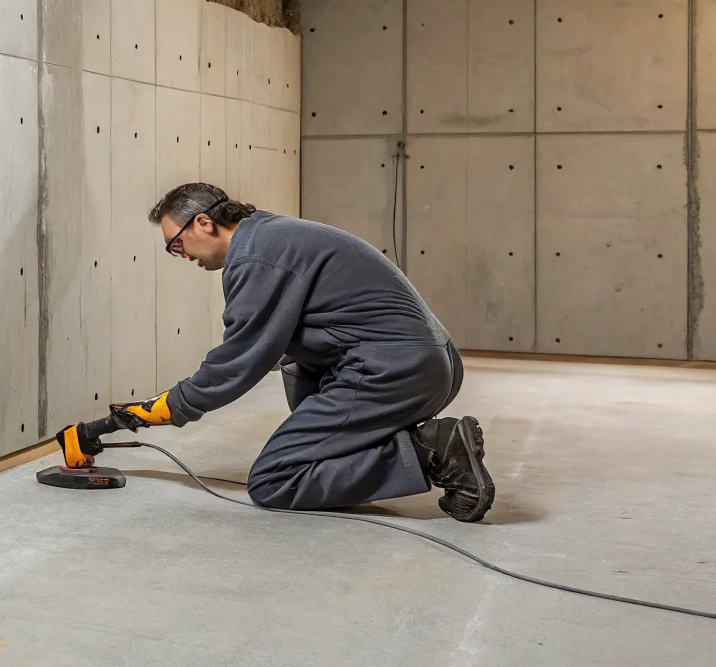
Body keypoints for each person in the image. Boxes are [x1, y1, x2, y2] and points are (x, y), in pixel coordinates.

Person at [112, 182, 493, 521]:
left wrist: (164, 407)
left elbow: (239, 360)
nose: (179, 254)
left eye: (175, 243)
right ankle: (418, 447)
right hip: (424, 364)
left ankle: (430, 449)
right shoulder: (270, 235)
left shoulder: (255, 257)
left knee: (274, 481)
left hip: (389, 370)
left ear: (202, 223)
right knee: (295, 365)